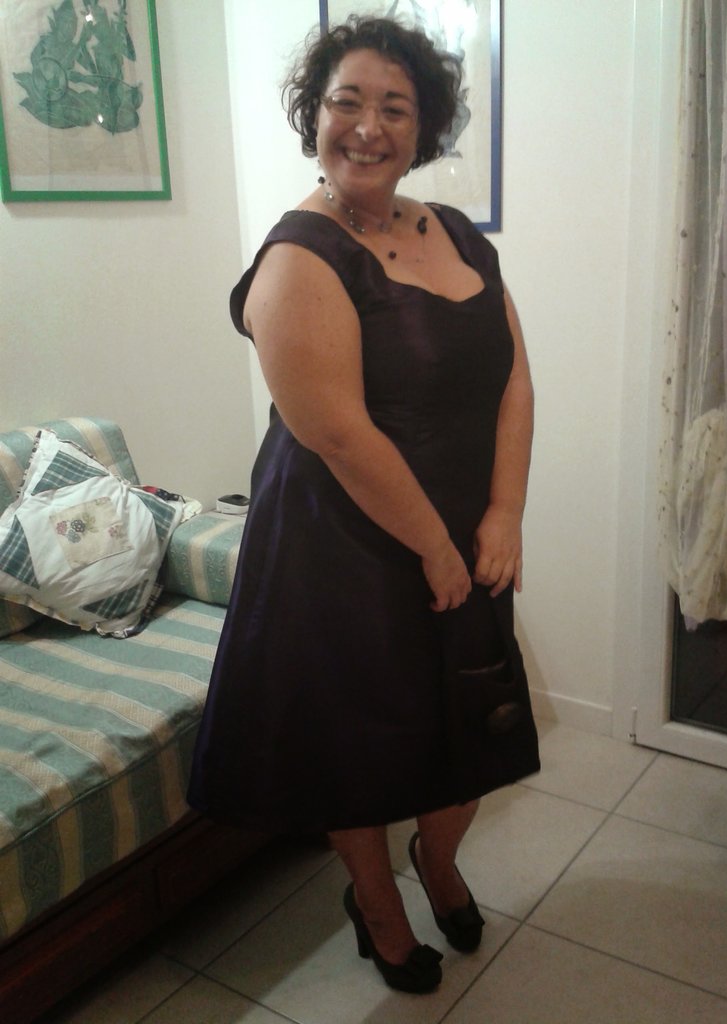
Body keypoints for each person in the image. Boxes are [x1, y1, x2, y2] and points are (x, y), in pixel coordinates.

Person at [187, 15, 539, 994]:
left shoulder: (454, 232)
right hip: (342, 542)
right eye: (347, 102)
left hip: (463, 528)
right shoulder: (298, 256)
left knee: (470, 722)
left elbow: (513, 377)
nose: (369, 127)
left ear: (423, 127)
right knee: (364, 742)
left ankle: (438, 859)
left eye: (395, 107)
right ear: (314, 115)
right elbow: (339, 435)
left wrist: (504, 512)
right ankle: (377, 905)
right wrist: (435, 546)